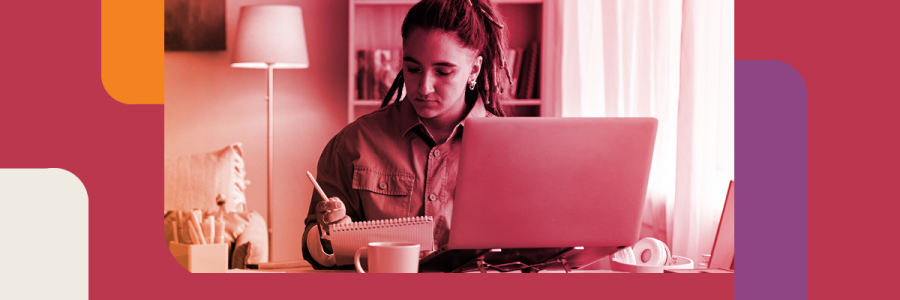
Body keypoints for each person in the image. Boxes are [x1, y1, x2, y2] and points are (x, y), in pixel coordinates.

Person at [302, 0, 513, 269]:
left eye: (443, 71)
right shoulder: (354, 143)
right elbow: (313, 248)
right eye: (413, 69)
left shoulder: (509, 151)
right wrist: (328, 236)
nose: (424, 87)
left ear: (474, 69)